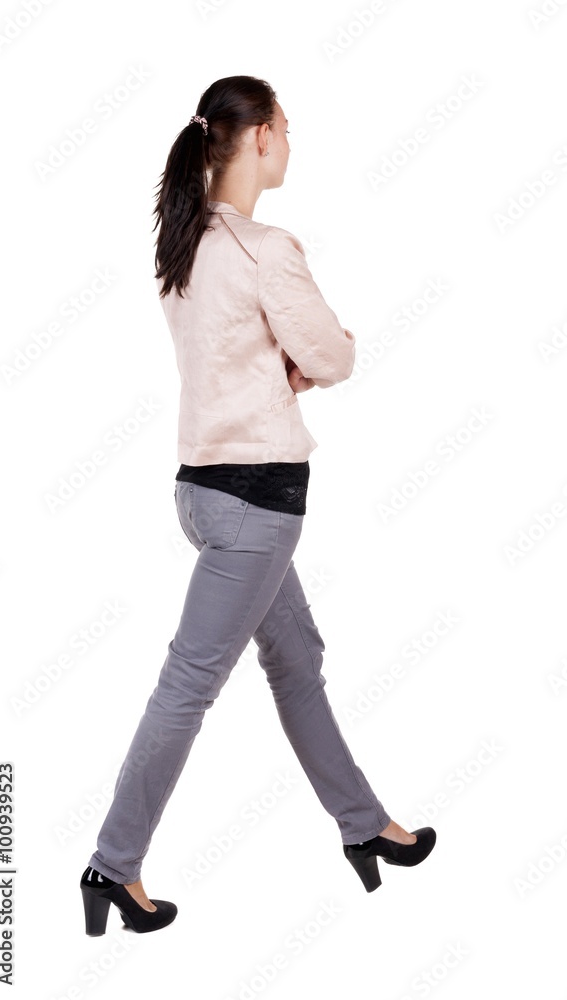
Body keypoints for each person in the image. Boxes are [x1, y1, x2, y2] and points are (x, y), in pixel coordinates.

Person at [79, 74, 436, 936]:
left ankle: (364, 826)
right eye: (287, 126)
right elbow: (333, 356)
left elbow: (231, 356)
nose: (291, 142)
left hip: (203, 490)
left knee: (296, 658)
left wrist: (281, 365)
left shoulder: (182, 243)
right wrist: (313, 358)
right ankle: (112, 867)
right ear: (263, 136)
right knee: (189, 684)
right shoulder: (265, 248)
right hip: (257, 502)